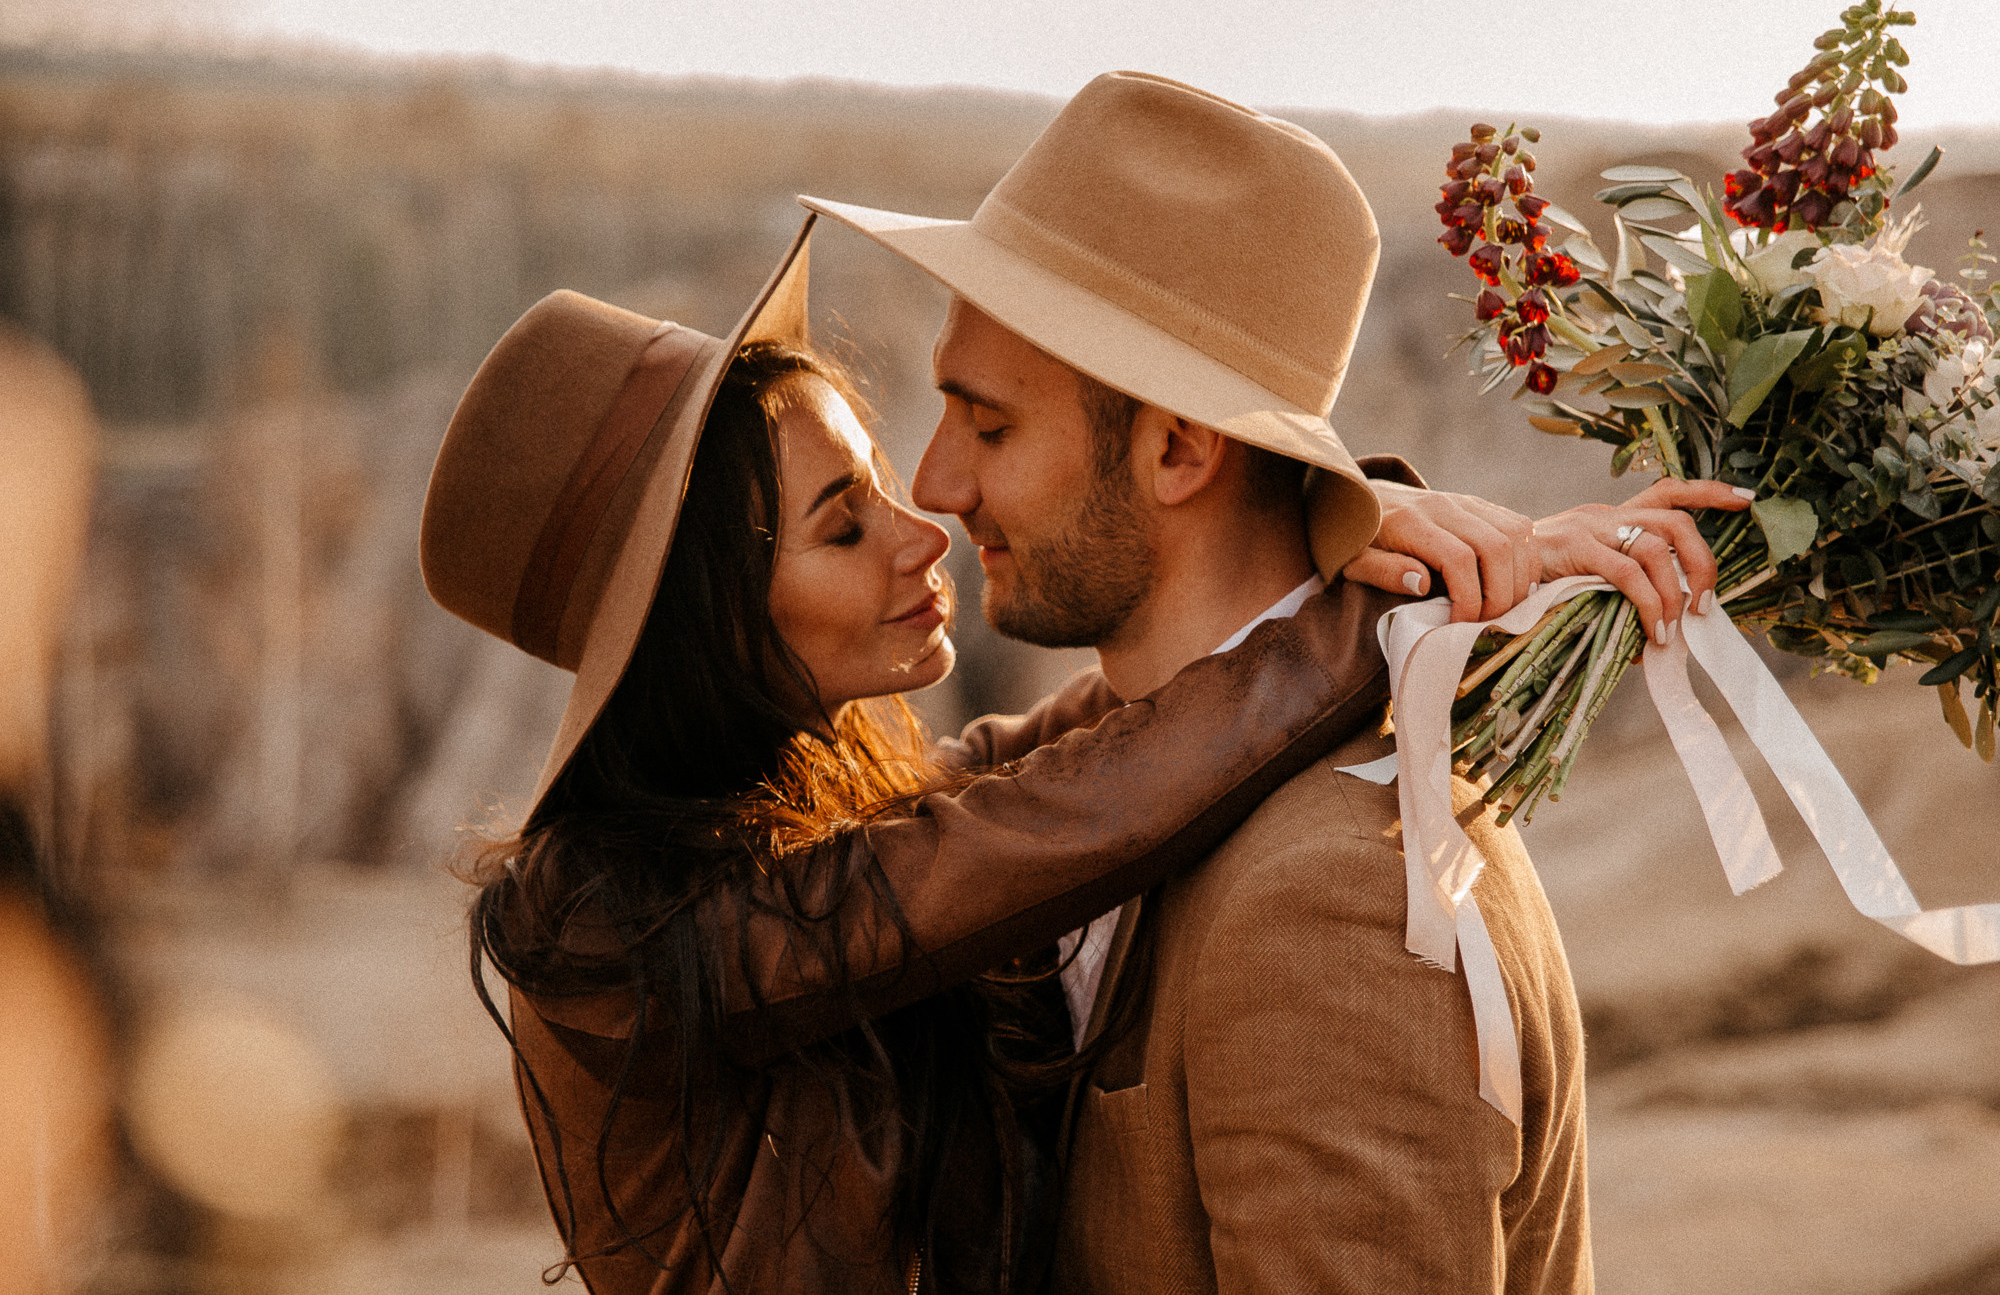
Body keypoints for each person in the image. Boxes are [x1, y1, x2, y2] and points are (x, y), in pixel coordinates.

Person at [418, 225, 1551, 1292]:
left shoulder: (794, 820)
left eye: (881, 483)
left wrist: (1334, 517)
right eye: (842, 526)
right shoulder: (625, 934)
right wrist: (1361, 601)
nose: (925, 524)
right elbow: (1046, 821)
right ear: (703, 625)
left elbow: (1075, 750)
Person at [802, 70, 1753, 1291]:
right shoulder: (1141, 758)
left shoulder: (1327, 903)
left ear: (1180, 448)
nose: (935, 485)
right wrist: (1358, 521)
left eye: (989, 429)